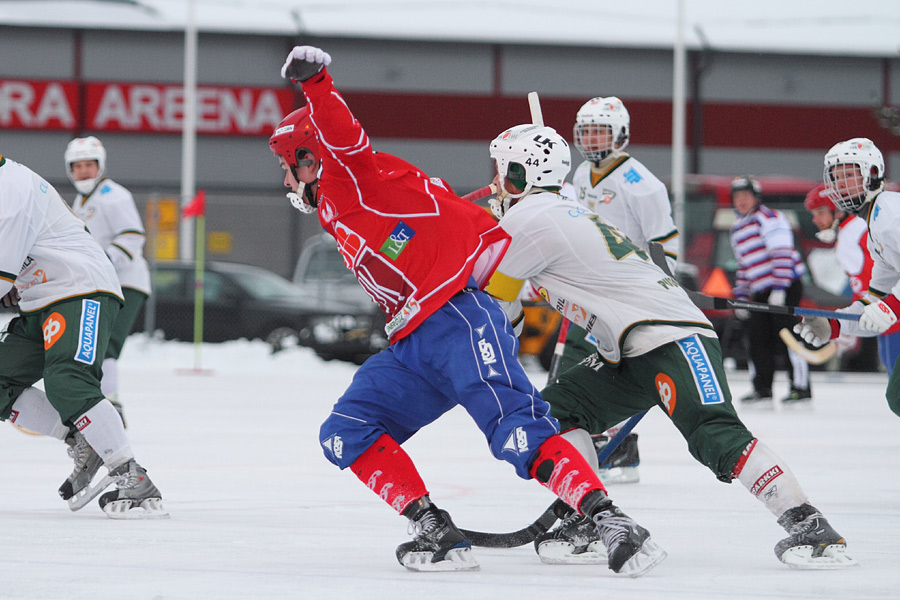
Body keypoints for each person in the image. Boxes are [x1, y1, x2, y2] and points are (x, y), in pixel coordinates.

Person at [270, 45, 665, 576]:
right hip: (411, 342)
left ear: (311, 159)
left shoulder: (351, 177)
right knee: (346, 429)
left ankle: (611, 521)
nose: (286, 182)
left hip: (457, 321)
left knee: (516, 433)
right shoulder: (338, 208)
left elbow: (345, 137)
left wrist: (316, 83)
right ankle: (435, 529)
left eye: (287, 167)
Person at [483, 123, 855, 569]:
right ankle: (590, 518)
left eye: (502, 170)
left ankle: (810, 525)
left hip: (671, 335)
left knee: (713, 433)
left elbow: (498, 305)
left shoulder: (527, 218)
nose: (495, 181)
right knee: (558, 411)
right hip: (626, 348)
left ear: (523, 173)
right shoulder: (554, 210)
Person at [0, 153, 167, 519]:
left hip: (78, 287)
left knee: (68, 377)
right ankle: (83, 440)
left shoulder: (9, 187)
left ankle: (131, 474)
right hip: (39, 295)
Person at [558, 96, 681, 483]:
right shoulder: (580, 174)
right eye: (587, 131)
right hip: (587, 286)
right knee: (580, 364)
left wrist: (661, 289)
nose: (592, 140)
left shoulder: (641, 184)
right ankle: (596, 442)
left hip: (626, 290)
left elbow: (665, 243)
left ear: (621, 135)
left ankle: (619, 448)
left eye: (601, 131)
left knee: (608, 367)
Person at [795, 138, 900, 415]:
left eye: (850, 175)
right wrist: (836, 326)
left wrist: (893, 307)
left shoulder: (890, 213)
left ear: (873, 173)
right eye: (836, 177)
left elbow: (889, 305)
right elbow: (875, 298)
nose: (841, 184)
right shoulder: (875, 224)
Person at [65, 136, 151, 425]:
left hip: (125, 282)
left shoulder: (114, 195)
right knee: (94, 345)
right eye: (78, 166)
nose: (84, 171)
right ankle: (99, 402)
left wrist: (104, 262)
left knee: (108, 344)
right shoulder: (80, 200)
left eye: (90, 164)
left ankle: (112, 404)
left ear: (100, 166)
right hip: (100, 284)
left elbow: (132, 236)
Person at [729, 175, 812, 407]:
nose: (741, 201)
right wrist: (742, 298)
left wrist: (780, 288)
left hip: (786, 285)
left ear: (756, 197)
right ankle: (762, 389)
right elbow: (744, 266)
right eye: (737, 197)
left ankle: (801, 388)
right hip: (760, 289)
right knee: (758, 338)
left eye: (745, 196)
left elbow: (782, 254)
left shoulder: (769, 218)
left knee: (788, 335)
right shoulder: (737, 229)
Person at [804, 182, 900, 373]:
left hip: (893, 319)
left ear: (838, 211)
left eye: (820, 213)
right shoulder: (861, 226)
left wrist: (846, 326)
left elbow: (869, 287)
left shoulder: (849, 236)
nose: (815, 220)